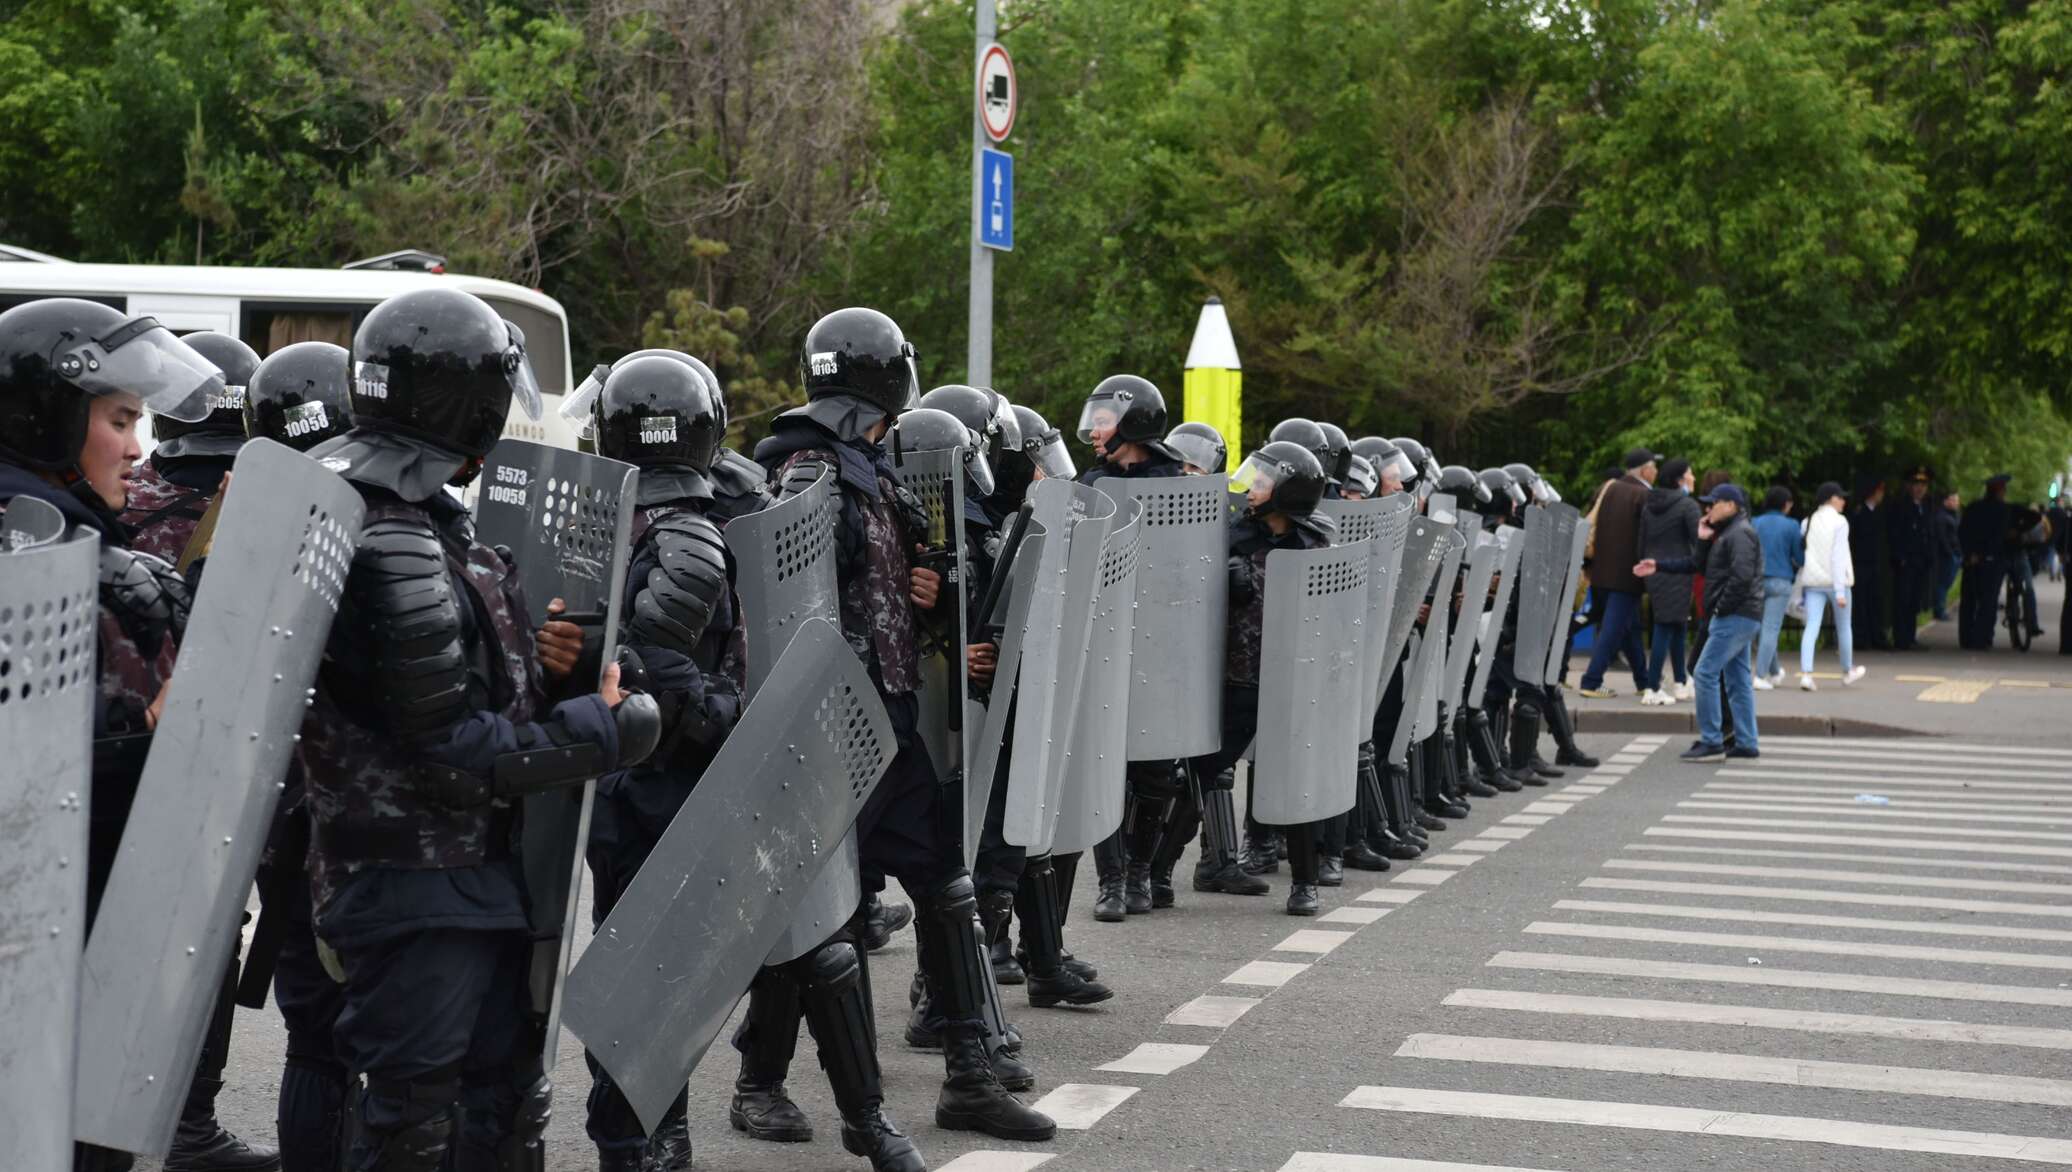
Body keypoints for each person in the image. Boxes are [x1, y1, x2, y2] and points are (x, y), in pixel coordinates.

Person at [294, 287, 661, 1172]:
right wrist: (598, 731)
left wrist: (562, 664)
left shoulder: (418, 519)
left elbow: (467, 684)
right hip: (412, 880)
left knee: (501, 1101)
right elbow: (448, 743)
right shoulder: (394, 536)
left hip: (464, 876)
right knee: (415, 1123)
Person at [756, 306, 1056, 1151]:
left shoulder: (865, 466)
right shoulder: (809, 468)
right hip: (827, 727)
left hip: (882, 719)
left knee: (943, 883)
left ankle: (969, 1075)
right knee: (817, 912)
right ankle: (761, 1081)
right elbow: (793, 602)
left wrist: (921, 590)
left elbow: (877, 580)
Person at [0, 297, 228, 1172]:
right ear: (53, 417)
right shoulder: (31, 545)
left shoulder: (70, 531)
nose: (140, 447)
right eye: (121, 419)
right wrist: (150, 727)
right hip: (55, 930)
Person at [110, 329, 283, 1172]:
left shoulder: (115, 499)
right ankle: (186, 1125)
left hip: (113, 756)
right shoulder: (264, 511)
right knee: (208, 939)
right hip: (212, 760)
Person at [1187, 441, 1336, 916]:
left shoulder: (1316, 548)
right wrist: (1222, 583)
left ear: (1288, 492)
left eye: (1264, 481)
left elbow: (1332, 619)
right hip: (1238, 681)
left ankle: (1305, 883)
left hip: (1293, 684)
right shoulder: (1230, 537)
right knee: (1199, 773)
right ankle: (1151, 874)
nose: (1251, 488)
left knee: (1293, 782)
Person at [1636, 483, 1761, 762]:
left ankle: (1712, 742)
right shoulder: (1729, 532)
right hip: (1740, 614)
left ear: (1730, 505)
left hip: (1733, 616)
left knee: (1704, 673)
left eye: (1713, 503)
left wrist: (1719, 609)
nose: (1708, 508)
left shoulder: (1739, 534)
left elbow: (1741, 578)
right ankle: (1746, 741)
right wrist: (1699, 542)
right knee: (1737, 679)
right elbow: (1699, 565)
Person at [1577, 448, 1656, 699]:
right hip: (1627, 576)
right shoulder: (1644, 495)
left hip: (1601, 572)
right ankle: (1591, 680)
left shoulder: (1610, 488)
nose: (1656, 471)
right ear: (1644, 470)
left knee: (1630, 628)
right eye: (1654, 466)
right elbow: (1646, 536)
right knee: (1612, 629)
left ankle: (1644, 681)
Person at [1637, 458, 1700, 706]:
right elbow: (1699, 540)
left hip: (1654, 570)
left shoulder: (1649, 504)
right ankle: (1652, 687)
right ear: (1680, 480)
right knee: (1666, 627)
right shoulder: (1687, 505)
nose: (1693, 477)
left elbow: (1641, 541)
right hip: (1679, 570)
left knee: (1676, 625)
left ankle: (1680, 681)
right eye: (1690, 473)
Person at [1796, 482, 1867, 690]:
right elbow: (1838, 557)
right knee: (1844, 627)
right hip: (1838, 584)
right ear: (1831, 499)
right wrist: (1839, 591)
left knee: (1811, 626)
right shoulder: (1840, 522)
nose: (1844, 501)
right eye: (1840, 497)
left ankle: (1807, 674)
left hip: (1812, 582)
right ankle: (1847, 671)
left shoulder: (1806, 521)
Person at [1749, 486, 1802, 689]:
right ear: (1785, 504)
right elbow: (1798, 556)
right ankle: (1760, 675)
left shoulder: (1755, 522)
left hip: (1755, 580)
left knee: (1759, 629)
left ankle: (1774, 671)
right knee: (1771, 629)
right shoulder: (1791, 525)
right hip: (1780, 580)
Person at [1958, 474, 2014, 649]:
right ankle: (1982, 638)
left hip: (1972, 560)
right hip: (1992, 560)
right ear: (2000, 491)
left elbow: (1963, 532)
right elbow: (2001, 537)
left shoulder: (1974, 508)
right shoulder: (2003, 511)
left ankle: (1966, 637)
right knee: (1988, 601)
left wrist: (1970, 554)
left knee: (1968, 600)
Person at [1884, 466, 1934, 649]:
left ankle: (1910, 636)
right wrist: (1900, 557)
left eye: (1923, 484)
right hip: (1906, 561)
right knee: (1902, 600)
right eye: (1916, 484)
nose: (1920, 488)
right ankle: (1901, 638)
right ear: (1910, 486)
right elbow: (1895, 533)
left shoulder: (1926, 506)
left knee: (1914, 601)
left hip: (1920, 561)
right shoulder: (1901, 506)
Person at [1848, 477, 1890, 651]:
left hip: (1874, 563)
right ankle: (1861, 637)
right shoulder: (1859, 513)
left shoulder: (1880, 513)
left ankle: (1876, 636)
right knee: (1861, 602)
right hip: (1861, 563)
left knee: (1875, 600)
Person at [1931, 489, 1962, 622]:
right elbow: (1942, 538)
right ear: (1946, 501)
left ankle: (1940, 608)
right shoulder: (1942, 517)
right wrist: (1950, 553)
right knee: (1943, 584)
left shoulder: (1955, 515)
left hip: (1955, 554)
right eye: (1953, 500)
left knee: (1946, 583)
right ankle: (1939, 610)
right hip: (1947, 556)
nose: (1956, 503)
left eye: (1957, 500)